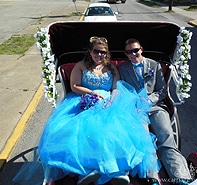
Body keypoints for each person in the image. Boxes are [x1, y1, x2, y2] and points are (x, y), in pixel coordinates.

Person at [36, 36, 161, 185]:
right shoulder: (81, 66)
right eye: (96, 51)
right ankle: (86, 172)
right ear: (90, 51)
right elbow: (74, 85)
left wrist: (112, 101)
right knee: (82, 131)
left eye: (103, 52)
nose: (99, 55)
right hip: (84, 98)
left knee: (115, 131)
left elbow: (116, 87)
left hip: (109, 101)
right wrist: (90, 93)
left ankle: (119, 170)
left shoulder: (111, 67)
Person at [118, 38, 192, 185]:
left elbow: (162, 90)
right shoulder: (122, 68)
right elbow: (122, 90)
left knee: (166, 137)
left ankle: (180, 176)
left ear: (141, 49)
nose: (133, 54)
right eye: (129, 52)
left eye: (135, 50)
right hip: (136, 109)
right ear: (126, 54)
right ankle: (152, 176)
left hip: (155, 107)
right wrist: (135, 102)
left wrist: (150, 99)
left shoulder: (154, 64)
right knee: (145, 140)